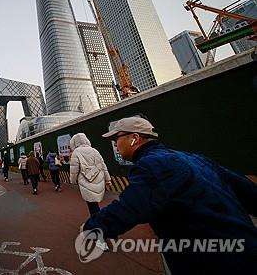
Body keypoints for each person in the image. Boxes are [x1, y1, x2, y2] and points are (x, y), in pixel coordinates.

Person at [82, 116, 257, 274]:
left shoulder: (150, 165)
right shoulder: (194, 157)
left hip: (213, 260)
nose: (114, 144)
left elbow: (131, 206)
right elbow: (246, 190)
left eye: (116, 138)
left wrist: (93, 226)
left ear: (134, 138)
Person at [69, 133, 111, 216]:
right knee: (94, 203)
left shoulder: (76, 152)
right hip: (98, 179)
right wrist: (108, 179)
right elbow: (103, 165)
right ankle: (97, 219)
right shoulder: (94, 150)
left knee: (91, 204)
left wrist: (73, 180)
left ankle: (96, 223)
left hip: (86, 180)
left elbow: (74, 169)